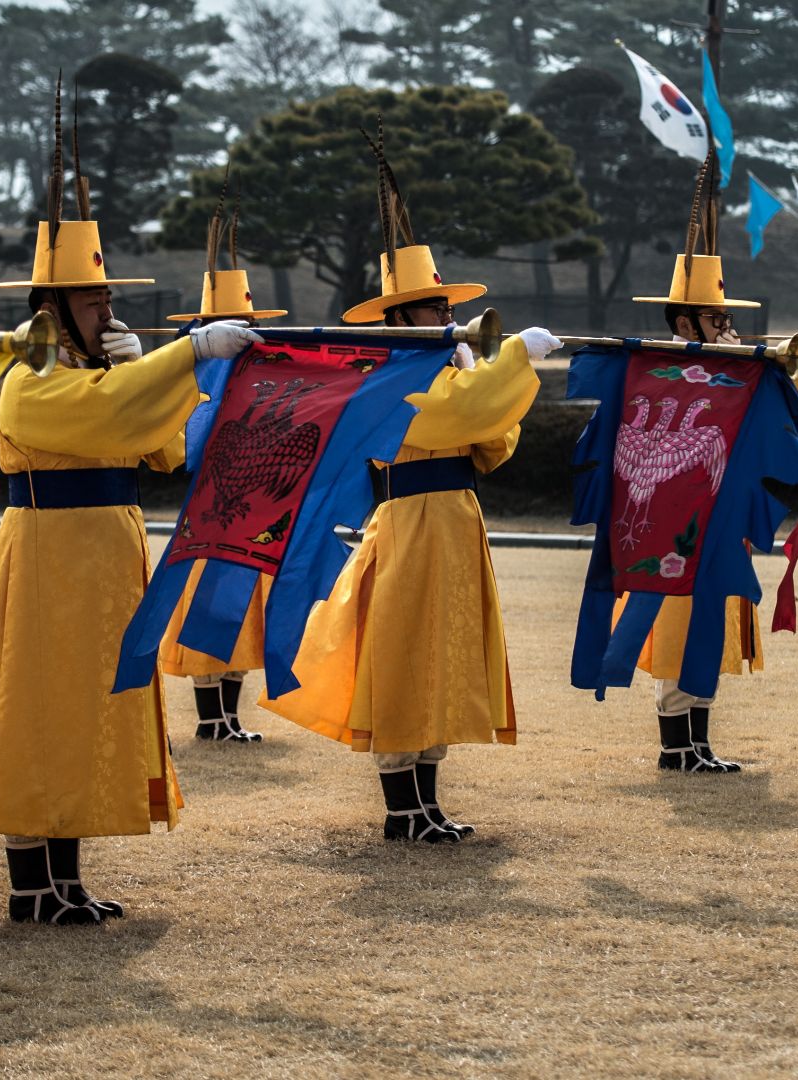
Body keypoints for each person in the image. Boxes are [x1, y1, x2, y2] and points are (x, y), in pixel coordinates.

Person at [0, 102, 260, 924]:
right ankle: (29, 885)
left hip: (104, 558)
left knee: (87, 712)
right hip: (52, 560)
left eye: (108, 295)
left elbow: (163, 450)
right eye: (92, 298)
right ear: (53, 305)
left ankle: (66, 879)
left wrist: (140, 369)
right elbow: (98, 418)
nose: (107, 309)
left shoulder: (96, 372)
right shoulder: (32, 376)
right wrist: (185, 355)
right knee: (43, 709)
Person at [265, 130, 552, 843]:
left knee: (445, 655)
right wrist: (511, 361)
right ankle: (402, 809)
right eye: (432, 309)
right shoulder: (386, 373)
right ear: (399, 319)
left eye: (445, 307)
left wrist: (475, 369)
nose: (446, 318)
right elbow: (456, 417)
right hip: (410, 522)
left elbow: (494, 442)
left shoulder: (446, 366)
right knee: (404, 657)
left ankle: (428, 803)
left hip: (454, 516)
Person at [626, 245, 798, 774]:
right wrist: (784, 351)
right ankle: (675, 744)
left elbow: (774, 391)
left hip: (719, 513)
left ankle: (698, 741)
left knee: (710, 622)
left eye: (726, 317)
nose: (727, 327)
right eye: (717, 318)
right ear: (686, 323)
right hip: (674, 518)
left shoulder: (726, 367)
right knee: (677, 624)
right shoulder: (663, 368)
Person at [156, 190, 288, 744]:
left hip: (252, 499)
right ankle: (211, 717)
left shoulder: (265, 370)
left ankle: (229, 717)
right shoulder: (194, 371)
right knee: (206, 601)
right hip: (212, 500)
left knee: (240, 606)